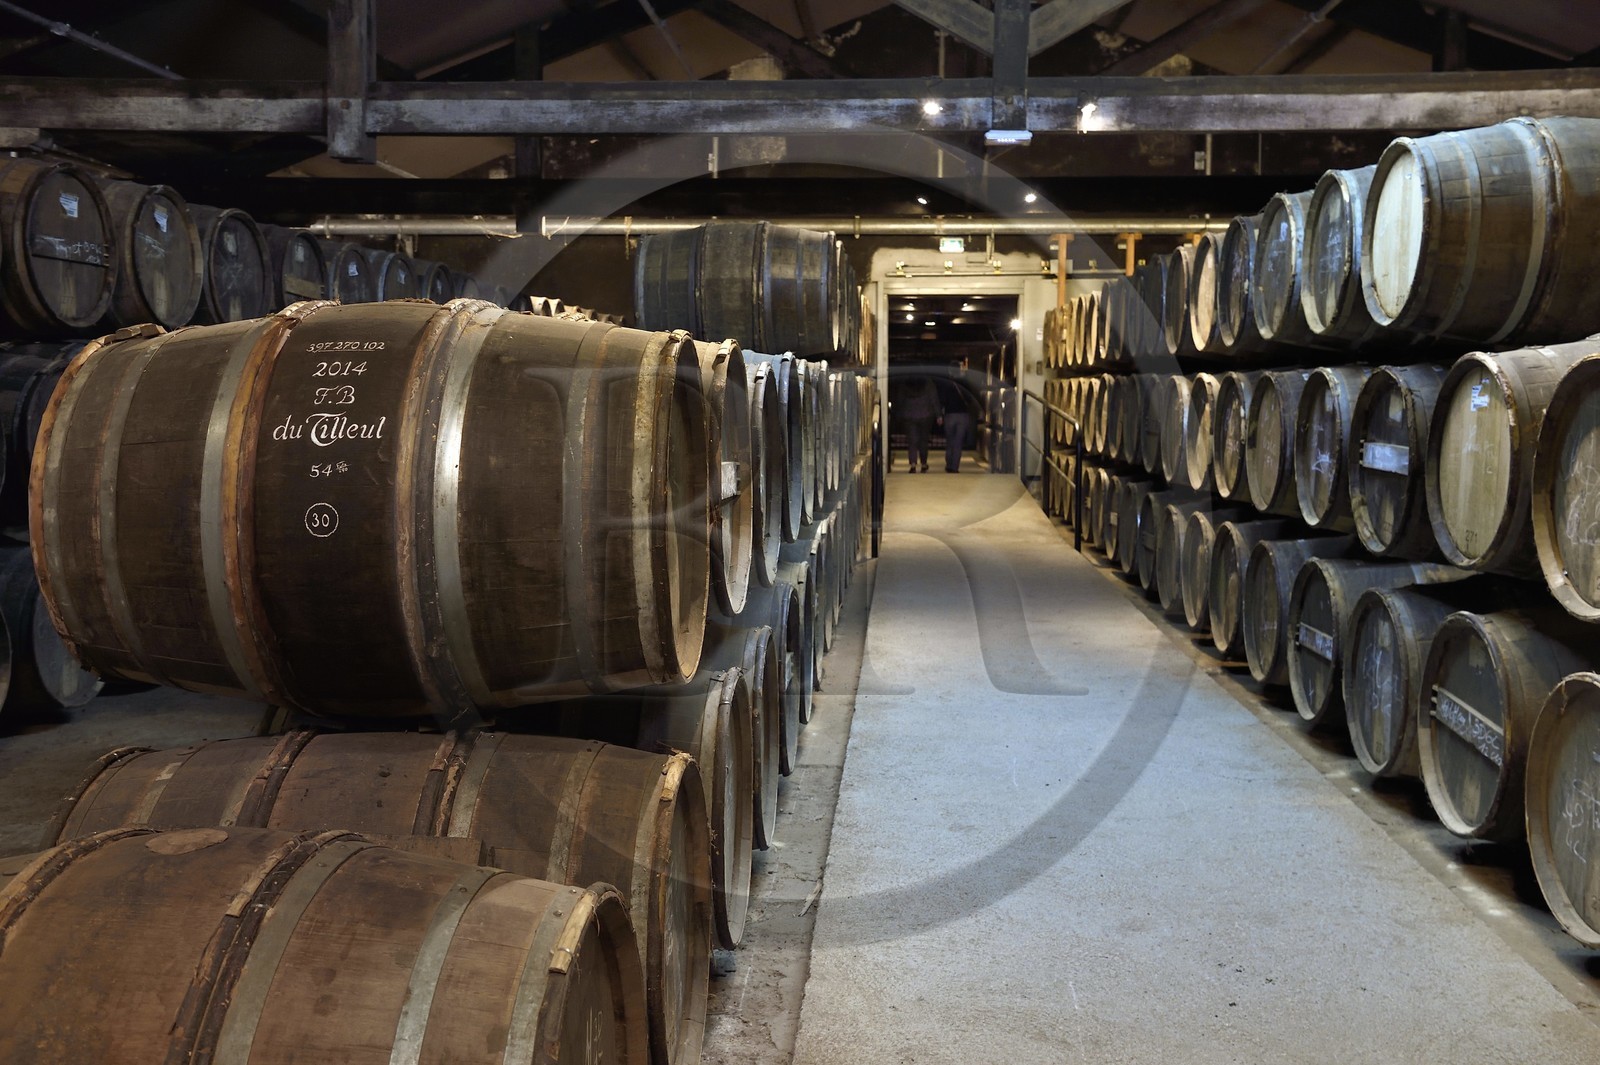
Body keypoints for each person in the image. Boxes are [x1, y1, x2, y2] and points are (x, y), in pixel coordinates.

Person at [935, 374, 979, 472]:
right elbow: (970, 399)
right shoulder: (965, 383)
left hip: (950, 415)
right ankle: (955, 467)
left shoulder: (946, 384)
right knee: (958, 443)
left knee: (950, 441)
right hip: (963, 415)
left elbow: (942, 400)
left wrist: (940, 415)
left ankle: (949, 464)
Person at [899, 375, 937, 472]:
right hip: (925, 414)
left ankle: (913, 464)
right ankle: (923, 464)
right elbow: (934, 398)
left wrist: (899, 412)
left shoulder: (905, 383)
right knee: (923, 441)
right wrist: (938, 413)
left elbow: (900, 399)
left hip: (909, 415)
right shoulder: (928, 383)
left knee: (912, 441)